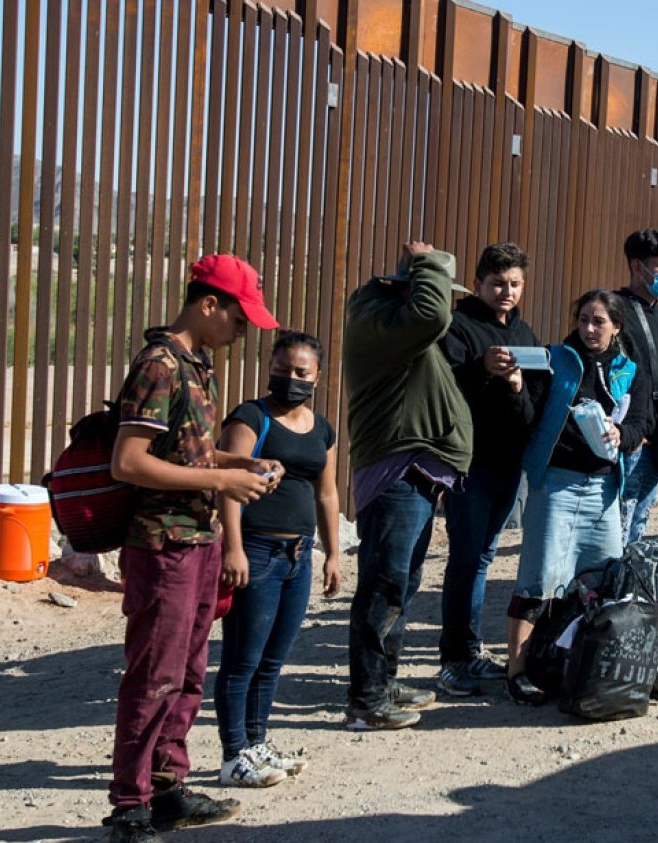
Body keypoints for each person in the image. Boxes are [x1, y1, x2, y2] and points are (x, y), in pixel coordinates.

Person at [103, 254, 280, 841]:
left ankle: (169, 789)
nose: (243, 329)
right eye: (238, 316)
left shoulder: (197, 364)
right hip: (163, 545)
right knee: (154, 675)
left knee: (188, 674)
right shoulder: (158, 364)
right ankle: (130, 805)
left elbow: (192, 453)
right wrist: (223, 481)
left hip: (199, 541)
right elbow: (129, 462)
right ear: (209, 304)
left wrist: (242, 464)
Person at [340, 241, 472, 731]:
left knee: (403, 584)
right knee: (384, 586)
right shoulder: (382, 321)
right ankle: (367, 698)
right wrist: (428, 261)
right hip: (395, 473)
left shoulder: (392, 325)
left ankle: (384, 682)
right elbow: (432, 316)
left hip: (412, 472)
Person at [503, 290, 652, 704]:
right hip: (555, 483)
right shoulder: (556, 360)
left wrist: (624, 436)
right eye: (583, 319)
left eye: (599, 321)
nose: (588, 328)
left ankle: (574, 659)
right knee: (539, 579)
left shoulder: (629, 370)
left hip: (605, 489)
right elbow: (528, 414)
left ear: (616, 327)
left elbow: (642, 421)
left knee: (599, 581)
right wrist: (517, 386)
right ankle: (516, 671)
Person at [212, 331, 343, 788]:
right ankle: (233, 755)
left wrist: (332, 554)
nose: (291, 378)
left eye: (301, 372)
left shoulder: (323, 428)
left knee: (273, 659)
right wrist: (233, 547)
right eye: (283, 369)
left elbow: (326, 493)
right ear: (270, 367)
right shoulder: (252, 417)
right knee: (242, 659)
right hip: (257, 551)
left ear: (318, 377)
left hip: (298, 555)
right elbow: (226, 480)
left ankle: (257, 742)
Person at [435, 242, 540, 695]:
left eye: (515, 283)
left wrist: (517, 387)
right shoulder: (456, 328)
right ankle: (455, 658)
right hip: (469, 463)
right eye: (498, 283)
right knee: (465, 559)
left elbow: (536, 401)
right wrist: (482, 368)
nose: (507, 291)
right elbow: (444, 389)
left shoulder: (527, 335)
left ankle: (469, 653)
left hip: (510, 462)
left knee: (483, 557)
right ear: (478, 283)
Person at [614, 229, 658, 544]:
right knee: (618, 525)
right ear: (636, 266)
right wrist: (632, 430)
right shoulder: (614, 312)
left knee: (638, 524)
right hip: (630, 440)